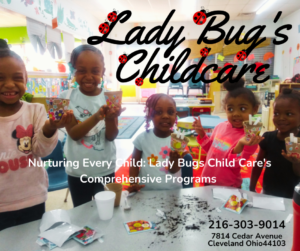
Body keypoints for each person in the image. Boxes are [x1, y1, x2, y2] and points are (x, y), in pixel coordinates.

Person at [0, 39, 72, 231]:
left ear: (26, 79)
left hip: (32, 197)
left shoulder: (36, 110)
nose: (9, 85)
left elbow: (42, 150)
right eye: (0, 78)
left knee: (33, 242)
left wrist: (50, 127)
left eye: (17, 78)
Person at [59, 44, 124, 207]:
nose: (88, 76)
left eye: (95, 71)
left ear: (103, 71)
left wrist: (110, 119)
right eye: (82, 70)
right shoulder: (65, 98)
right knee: (81, 214)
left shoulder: (110, 98)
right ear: (73, 70)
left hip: (104, 169)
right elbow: (74, 134)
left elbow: (111, 136)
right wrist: (98, 116)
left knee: (108, 211)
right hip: (77, 172)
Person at [193, 78, 263, 188]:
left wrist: (240, 144)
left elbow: (235, 163)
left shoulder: (249, 138)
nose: (236, 114)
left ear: (254, 109)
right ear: (225, 109)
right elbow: (210, 149)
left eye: (242, 108)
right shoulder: (220, 126)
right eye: (230, 109)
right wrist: (202, 133)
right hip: (209, 179)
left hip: (228, 185)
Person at [127, 93, 194, 192]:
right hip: (146, 192)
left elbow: (173, 170)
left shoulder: (178, 140)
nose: (165, 116)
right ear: (149, 114)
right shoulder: (142, 139)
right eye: (159, 112)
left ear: (175, 115)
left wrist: (175, 160)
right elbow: (134, 164)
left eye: (170, 112)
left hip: (172, 193)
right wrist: (133, 183)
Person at [250, 88, 300, 198]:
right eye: (276, 113)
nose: (281, 118)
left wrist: (296, 162)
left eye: (289, 114)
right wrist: (252, 187)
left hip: (293, 196)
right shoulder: (268, 138)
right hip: (269, 192)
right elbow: (259, 164)